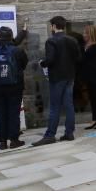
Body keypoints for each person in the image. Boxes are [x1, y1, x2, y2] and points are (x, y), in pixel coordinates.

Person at [32, 16, 82, 147]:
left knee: (54, 107)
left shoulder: (51, 41)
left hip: (57, 78)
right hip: (70, 76)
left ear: (53, 26)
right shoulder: (72, 40)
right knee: (69, 105)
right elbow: (78, 58)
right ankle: (69, 133)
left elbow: (50, 59)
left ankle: (50, 135)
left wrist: (42, 63)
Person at [0, 26, 28, 150]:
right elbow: (23, 65)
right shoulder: (17, 50)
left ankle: (2, 142)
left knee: (0, 114)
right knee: (13, 113)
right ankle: (14, 140)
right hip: (15, 87)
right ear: (11, 37)